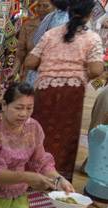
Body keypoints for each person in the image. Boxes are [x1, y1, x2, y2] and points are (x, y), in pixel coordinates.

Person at [25, 0, 103, 181]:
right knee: (65, 135)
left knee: (41, 132)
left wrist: (50, 69)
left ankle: (33, 175)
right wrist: (81, 74)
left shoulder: (51, 34)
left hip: (45, 90)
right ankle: (57, 179)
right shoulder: (92, 38)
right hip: (72, 92)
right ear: (90, 14)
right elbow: (97, 69)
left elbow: (29, 62)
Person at [27, 0, 70, 85]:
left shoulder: (51, 17)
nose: (41, 9)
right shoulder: (70, 19)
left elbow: (36, 42)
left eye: (45, 6)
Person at [16, 0, 53, 78]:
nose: (41, 9)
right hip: (29, 74)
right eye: (39, 6)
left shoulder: (59, 27)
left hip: (50, 75)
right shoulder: (28, 25)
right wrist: (14, 71)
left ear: (55, 8)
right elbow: (20, 52)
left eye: (45, 6)